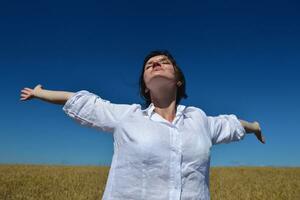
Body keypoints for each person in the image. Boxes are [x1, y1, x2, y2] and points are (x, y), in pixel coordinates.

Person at [20, 50, 265, 200]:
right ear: (145, 86)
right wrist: (41, 92)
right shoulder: (128, 116)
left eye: (164, 61)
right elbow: (82, 101)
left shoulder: (199, 119)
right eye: (149, 65)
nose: (156, 64)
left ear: (178, 81)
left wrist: (254, 126)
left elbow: (233, 125)